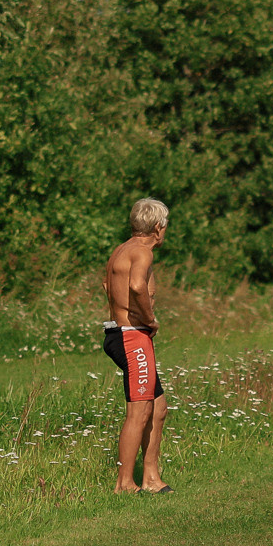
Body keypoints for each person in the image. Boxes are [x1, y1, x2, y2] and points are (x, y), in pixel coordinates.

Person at [102, 197, 173, 494]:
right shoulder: (142, 253)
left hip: (123, 334)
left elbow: (108, 286)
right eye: (165, 226)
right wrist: (150, 319)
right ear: (157, 227)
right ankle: (124, 483)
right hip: (132, 336)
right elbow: (136, 286)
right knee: (139, 410)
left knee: (157, 407)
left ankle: (151, 478)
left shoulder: (122, 250)